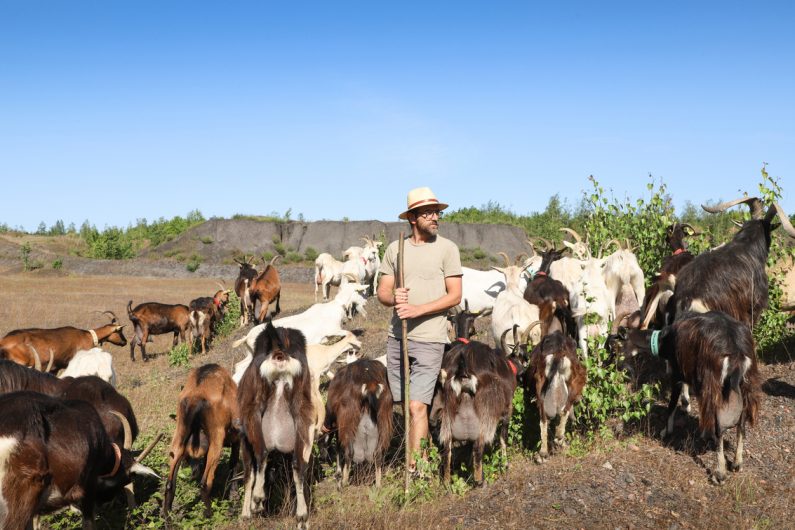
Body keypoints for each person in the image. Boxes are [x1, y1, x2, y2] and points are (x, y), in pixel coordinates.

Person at [377, 186, 462, 471]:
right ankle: (422, 457)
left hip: (430, 339)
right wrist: (394, 298)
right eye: (428, 213)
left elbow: (455, 295)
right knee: (405, 405)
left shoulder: (447, 249)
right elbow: (383, 292)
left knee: (417, 406)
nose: (435, 217)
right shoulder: (395, 249)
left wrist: (418, 310)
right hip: (397, 338)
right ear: (412, 218)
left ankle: (416, 469)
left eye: (437, 212)